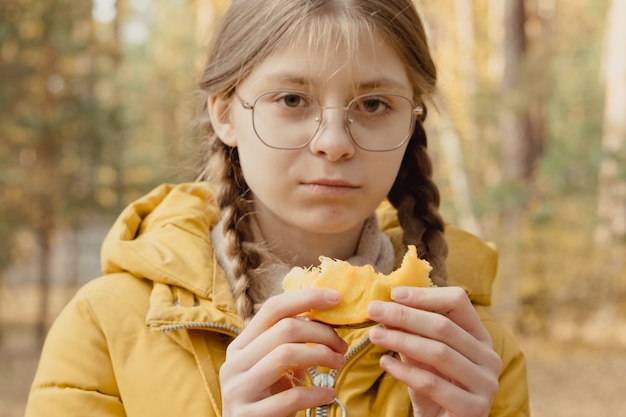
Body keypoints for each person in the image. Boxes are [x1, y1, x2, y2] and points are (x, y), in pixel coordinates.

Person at [25, 0, 530, 416]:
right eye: (292, 99)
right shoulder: (105, 325)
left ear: (411, 120)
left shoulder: (475, 353)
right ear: (225, 115)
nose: (334, 143)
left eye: (373, 104)